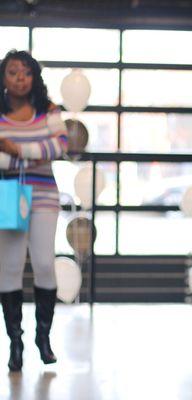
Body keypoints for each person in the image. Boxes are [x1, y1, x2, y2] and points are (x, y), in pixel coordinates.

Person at [0, 50, 67, 371]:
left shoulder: (48, 110)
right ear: (3, 77)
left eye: (26, 72)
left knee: (43, 263)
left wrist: (15, 149)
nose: (19, 78)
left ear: (34, 77)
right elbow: (45, 151)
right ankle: (15, 342)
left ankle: (44, 337)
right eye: (13, 72)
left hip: (43, 197)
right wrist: (31, 155)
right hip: (9, 196)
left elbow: (60, 145)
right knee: (10, 267)